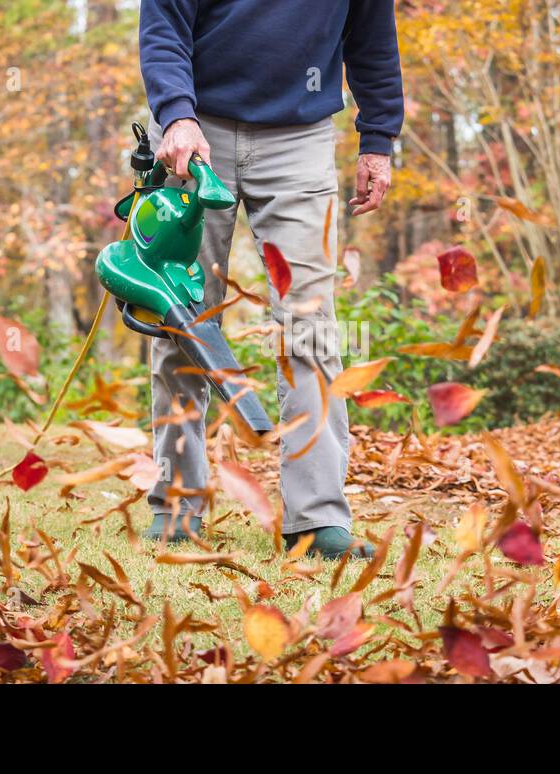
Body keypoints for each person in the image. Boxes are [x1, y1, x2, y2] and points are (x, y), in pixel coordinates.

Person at [137, 0, 403, 558]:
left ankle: (317, 518)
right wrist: (176, 114)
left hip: (300, 138)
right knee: (181, 317)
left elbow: (372, 39)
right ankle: (178, 507)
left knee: (310, 325)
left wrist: (378, 138)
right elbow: (163, 25)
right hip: (195, 134)